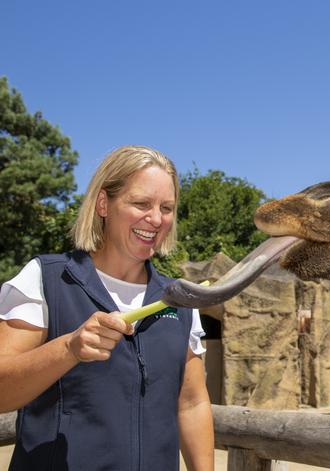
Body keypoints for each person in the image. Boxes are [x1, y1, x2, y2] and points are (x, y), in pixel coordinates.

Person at [0, 146, 214, 470]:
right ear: (104, 203)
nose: (156, 219)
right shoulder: (46, 279)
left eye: (166, 207)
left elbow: (192, 403)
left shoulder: (181, 300)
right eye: (141, 203)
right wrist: (69, 348)